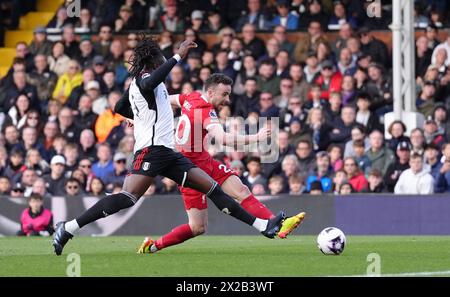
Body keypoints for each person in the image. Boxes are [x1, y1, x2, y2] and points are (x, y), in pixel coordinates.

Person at [53, 37, 286, 256]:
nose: (165, 61)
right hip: (151, 151)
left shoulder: (148, 86)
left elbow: (120, 107)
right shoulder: (145, 79)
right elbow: (144, 86)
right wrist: (178, 56)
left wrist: (138, 118)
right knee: (128, 197)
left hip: (168, 153)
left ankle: (263, 225)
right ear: (155, 61)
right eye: (163, 59)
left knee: (213, 188)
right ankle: (70, 227)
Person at [135, 73, 305, 253]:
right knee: (197, 227)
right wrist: (257, 137)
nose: (227, 99)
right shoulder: (205, 110)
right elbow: (223, 138)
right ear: (210, 91)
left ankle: (277, 223)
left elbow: (166, 100)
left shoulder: (190, 97)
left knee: (241, 190)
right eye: (224, 94)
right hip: (188, 171)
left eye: (229, 94)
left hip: (204, 161)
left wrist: (140, 116)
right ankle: (152, 246)